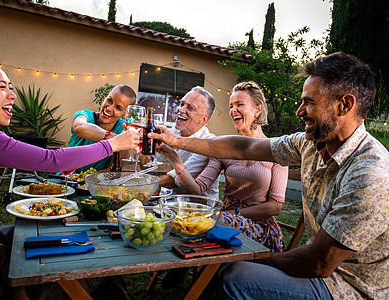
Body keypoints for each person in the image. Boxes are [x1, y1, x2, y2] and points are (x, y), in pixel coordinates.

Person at [150, 52, 389, 299]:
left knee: (236, 276)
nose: (299, 111)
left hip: (348, 288)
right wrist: (176, 140)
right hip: (318, 272)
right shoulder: (310, 144)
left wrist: (253, 258)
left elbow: (319, 263)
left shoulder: (370, 173)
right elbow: (243, 147)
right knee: (224, 263)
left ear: (345, 105)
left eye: (309, 102)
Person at [0, 53, 140, 300]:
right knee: (51, 272)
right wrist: (113, 144)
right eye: (2, 88)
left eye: (11, 88)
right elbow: (51, 160)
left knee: (32, 238)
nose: (12, 95)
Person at [160, 81, 288, 252]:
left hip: (258, 224)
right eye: (231, 106)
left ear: (258, 108)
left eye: (239, 105)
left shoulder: (276, 150)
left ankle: (196, 269)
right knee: (187, 222)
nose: (233, 110)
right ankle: (189, 270)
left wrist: (235, 214)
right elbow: (198, 189)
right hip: (225, 216)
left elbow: (275, 207)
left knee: (204, 226)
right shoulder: (225, 147)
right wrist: (175, 159)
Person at [149, 86, 219, 198]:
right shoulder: (175, 130)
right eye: (182, 104)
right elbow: (150, 161)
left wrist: (143, 185)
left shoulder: (207, 143)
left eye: (190, 108)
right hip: (175, 202)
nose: (180, 110)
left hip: (200, 207)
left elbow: (175, 180)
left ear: (203, 119)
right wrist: (146, 147)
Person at [68, 84, 137, 172]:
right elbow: (79, 127)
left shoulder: (124, 126)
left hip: (96, 181)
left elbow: (114, 168)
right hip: (65, 178)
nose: (109, 108)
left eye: (118, 108)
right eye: (109, 100)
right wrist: (112, 137)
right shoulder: (85, 115)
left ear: (127, 113)